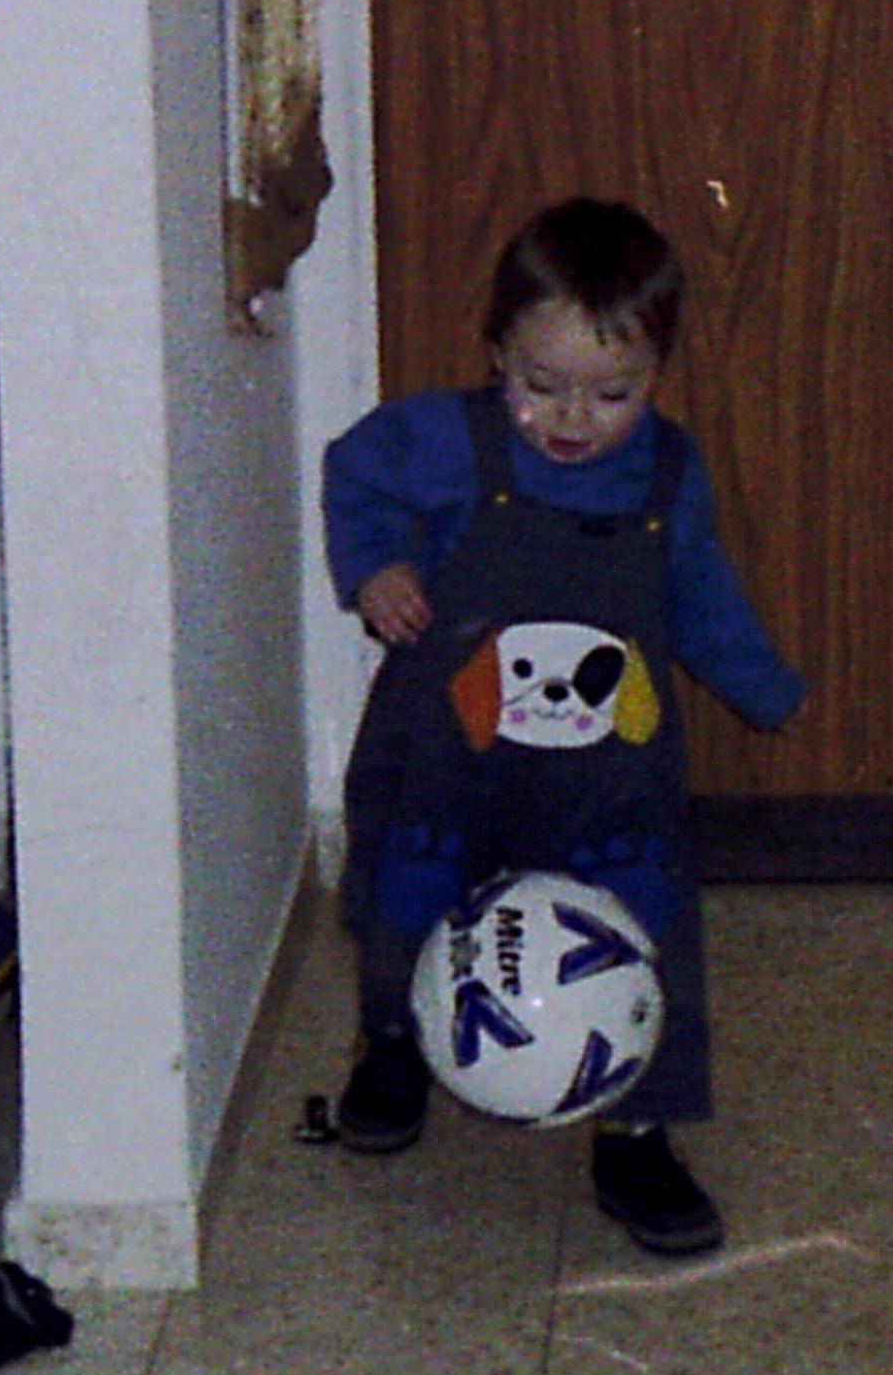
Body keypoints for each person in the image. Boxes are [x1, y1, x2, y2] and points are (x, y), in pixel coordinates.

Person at [321, 197, 800, 1253]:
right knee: (410, 902)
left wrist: (762, 687)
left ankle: (638, 1131)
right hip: (447, 758)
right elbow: (354, 470)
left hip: (606, 781)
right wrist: (376, 566)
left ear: (657, 374)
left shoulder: (668, 473)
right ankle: (394, 1047)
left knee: (644, 929)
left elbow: (698, 591)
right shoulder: (446, 441)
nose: (573, 418)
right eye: (542, 386)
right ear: (498, 352)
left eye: (612, 393)